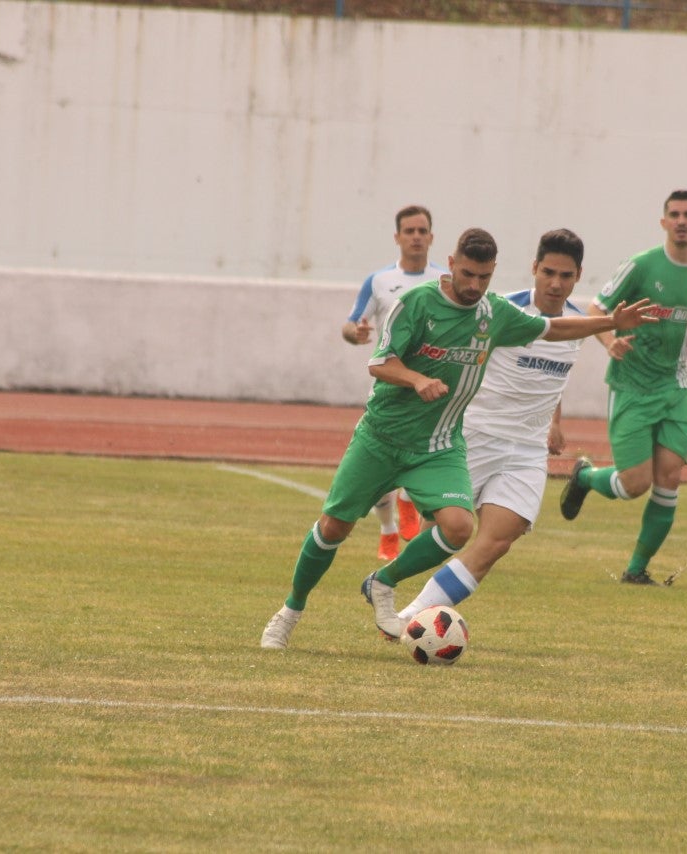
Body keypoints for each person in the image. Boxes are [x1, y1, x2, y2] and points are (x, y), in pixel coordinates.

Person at [262, 227, 655, 649]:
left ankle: (385, 585)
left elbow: (551, 330)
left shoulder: (494, 313)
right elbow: (379, 363)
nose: (474, 286)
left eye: (483, 278)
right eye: (467, 274)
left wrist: (612, 322)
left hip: (440, 443)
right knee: (333, 528)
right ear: (450, 264)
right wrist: (416, 379)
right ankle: (291, 610)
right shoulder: (415, 303)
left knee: (457, 527)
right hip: (383, 436)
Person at [395, 228, 588, 623]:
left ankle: (413, 616)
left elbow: (553, 378)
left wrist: (555, 421)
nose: (555, 283)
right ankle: (389, 578)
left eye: (566, 276)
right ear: (533, 268)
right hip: (473, 437)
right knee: (443, 534)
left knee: (496, 542)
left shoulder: (578, 327)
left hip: (526, 451)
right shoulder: (497, 310)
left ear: (578, 277)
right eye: (548, 271)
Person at [559, 189, 687, 585]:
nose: (682, 221)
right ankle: (584, 476)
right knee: (634, 484)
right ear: (664, 222)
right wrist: (609, 341)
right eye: (674, 214)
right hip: (632, 386)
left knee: (669, 476)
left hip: (675, 389)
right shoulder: (639, 266)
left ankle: (636, 570)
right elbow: (596, 309)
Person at [341, 205, 445, 562]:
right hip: (388, 386)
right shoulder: (380, 281)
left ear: (431, 237)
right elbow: (352, 323)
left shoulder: (444, 281)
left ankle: (408, 500)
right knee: (380, 468)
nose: (416, 237)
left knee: (422, 459)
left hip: (429, 387)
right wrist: (356, 333)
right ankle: (388, 529)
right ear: (397, 237)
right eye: (409, 231)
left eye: (422, 231)